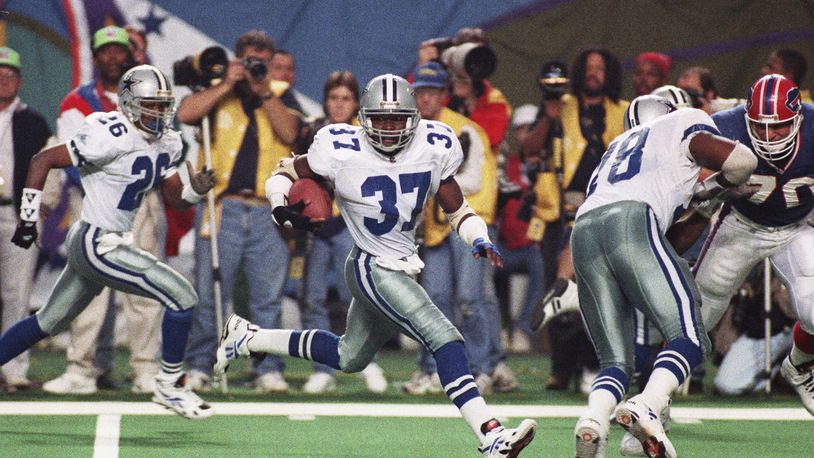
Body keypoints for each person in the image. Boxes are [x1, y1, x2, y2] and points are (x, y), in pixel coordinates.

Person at [216, 74, 536, 457]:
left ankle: (248, 338)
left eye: (397, 118)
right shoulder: (339, 146)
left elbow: (458, 209)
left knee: (349, 357)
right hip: (371, 264)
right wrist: (280, 204)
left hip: (401, 263)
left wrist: (478, 237)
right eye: (380, 119)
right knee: (445, 337)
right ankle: (491, 434)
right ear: (364, 117)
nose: (388, 128)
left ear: (413, 118)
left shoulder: (435, 145)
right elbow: (286, 170)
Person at [0, 64, 215, 419]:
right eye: (152, 105)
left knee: (48, 321)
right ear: (129, 104)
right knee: (183, 296)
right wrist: (27, 218)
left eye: (163, 105)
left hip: (109, 242)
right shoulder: (109, 133)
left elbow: (175, 198)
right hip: (98, 242)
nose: (160, 113)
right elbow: (43, 160)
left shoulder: (167, 140)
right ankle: (170, 385)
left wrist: (195, 191)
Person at [571, 94, 757, 457]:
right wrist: (722, 187)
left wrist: (703, 194)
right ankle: (650, 404)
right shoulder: (680, 121)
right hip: (631, 221)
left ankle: (593, 420)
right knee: (688, 332)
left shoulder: (617, 147)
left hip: (583, 230)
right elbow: (741, 161)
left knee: (614, 360)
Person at [44, 25, 164, 395]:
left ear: (129, 55)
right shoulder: (76, 101)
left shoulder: (148, 94)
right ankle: (82, 369)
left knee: (144, 288)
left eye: (119, 50)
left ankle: (146, 369)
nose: (113, 57)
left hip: (140, 201)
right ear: (95, 57)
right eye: (105, 51)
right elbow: (73, 158)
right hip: (94, 203)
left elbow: (160, 145)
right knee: (87, 287)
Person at [177, 30, 299, 393]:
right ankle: (200, 365)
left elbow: (290, 133)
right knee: (210, 292)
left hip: (267, 210)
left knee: (267, 299)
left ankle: (267, 369)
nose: (254, 63)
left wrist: (263, 87)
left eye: (261, 57)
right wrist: (227, 83)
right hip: (221, 207)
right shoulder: (219, 94)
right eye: (248, 56)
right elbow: (186, 112)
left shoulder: (279, 96)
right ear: (237, 58)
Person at [692, 74, 814, 416]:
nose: (768, 136)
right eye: (758, 127)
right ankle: (657, 399)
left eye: (778, 127)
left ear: (799, 118)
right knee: (697, 316)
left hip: (797, 226)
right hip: (741, 224)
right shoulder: (724, 126)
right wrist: (707, 188)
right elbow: (693, 183)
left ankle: (800, 366)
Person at [401, 62, 517, 395]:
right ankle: (432, 369)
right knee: (433, 299)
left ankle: (481, 369)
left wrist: (425, 185)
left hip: (468, 220)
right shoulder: (411, 131)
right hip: (436, 225)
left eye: (431, 92)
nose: (424, 99)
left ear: (443, 95)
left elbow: (473, 180)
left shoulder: (463, 129)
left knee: (470, 299)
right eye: (420, 92)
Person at [524, 48, 628, 391]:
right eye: (589, 67)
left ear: (609, 74)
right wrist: (548, 115)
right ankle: (560, 367)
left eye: (600, 68)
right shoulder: (561, 105)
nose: (594, 73)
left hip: (604, 210)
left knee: (598, 288)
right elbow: (529, 150)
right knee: (557, 289)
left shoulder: (623, 111)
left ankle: (591, 364)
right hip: (558, 213)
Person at [298, 70, 388, 394]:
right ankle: (322, 369)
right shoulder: (313, 131)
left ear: (356, 103)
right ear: (325, 101)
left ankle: (369, 362)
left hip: (353, 226)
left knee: (360, 298)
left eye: (346, 98)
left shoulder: (367, 136)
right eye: (334, 98)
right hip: (317, 228)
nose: (339, 104)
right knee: (313, 299)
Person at [0, 46, 51, 392]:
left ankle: (14, 368)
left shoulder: (34, 121)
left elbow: (51, 174)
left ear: (20, 80)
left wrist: (31, 217)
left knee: (17, 293)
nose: (3, 79)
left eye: (9, 74)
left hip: (15, 214)